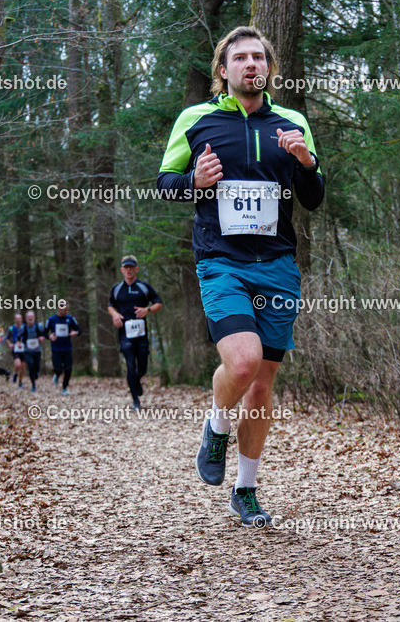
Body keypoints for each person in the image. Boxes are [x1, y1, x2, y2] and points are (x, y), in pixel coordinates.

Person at [157, 26, 324, 527]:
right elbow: (165, 184)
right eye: (241, 58)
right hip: (221, 260)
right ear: (223, 70)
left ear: (269, 68)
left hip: (276, 265)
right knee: (244, 362)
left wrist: (305, 162)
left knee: (262, 382)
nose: (251, 65)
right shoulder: (197, 120)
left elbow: (313, 197)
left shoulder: (292, 122)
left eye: (259, 58)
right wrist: (194, 182)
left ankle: (245, 489)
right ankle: (216, 423)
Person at [107, 255, 163, 410]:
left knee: (142, 368)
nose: (129, 270)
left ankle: (136, 383)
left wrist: (148, 309)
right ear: (122, 270)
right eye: (126, 267)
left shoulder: (144, 287)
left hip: (141, 333)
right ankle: (135, 401)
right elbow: (110, 305)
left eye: (132, 267)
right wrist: (114, 314)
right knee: (130, 365)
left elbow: (158, 304)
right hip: (125, 333)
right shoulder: (117, 288)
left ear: (136, 269)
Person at [46, 299, 80, 395]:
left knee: (68, 369)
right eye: (64, 310)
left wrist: (75, 332)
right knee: (58, 368)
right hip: (56, 348)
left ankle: (64, 388)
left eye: (67, 310)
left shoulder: (70, 319)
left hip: (67, 348)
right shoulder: (51, 320)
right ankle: (56, 375)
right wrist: (49, 336)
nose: (66, 312)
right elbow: (44, 332)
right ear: (58, 309)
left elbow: (79, 330)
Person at [20, 311, 45, 392]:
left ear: (34, 318)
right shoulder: (23, 328)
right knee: (30, 366)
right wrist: (18, 343)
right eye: (28, 317)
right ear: (26, 318)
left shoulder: (39, 326)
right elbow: (18, 337)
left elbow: (44, 334)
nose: (30, 319)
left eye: (32, 317)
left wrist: (42, 337)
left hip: (37, 350)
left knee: (36, 366)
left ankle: (37, 373)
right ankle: (33, 385)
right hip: (28, 350)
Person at [5, 313, 26, 387]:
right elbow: (7, 338)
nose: (18, 320)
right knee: (18, 365)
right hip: (15, 349)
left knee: (23, 367)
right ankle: (15, 373)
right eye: (16, 319)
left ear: (21, 319)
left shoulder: (24, 327)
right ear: (14, 320)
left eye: (19, 318)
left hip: (24, 349)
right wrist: (10, 344)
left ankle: (20, 382)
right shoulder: (11, 328)